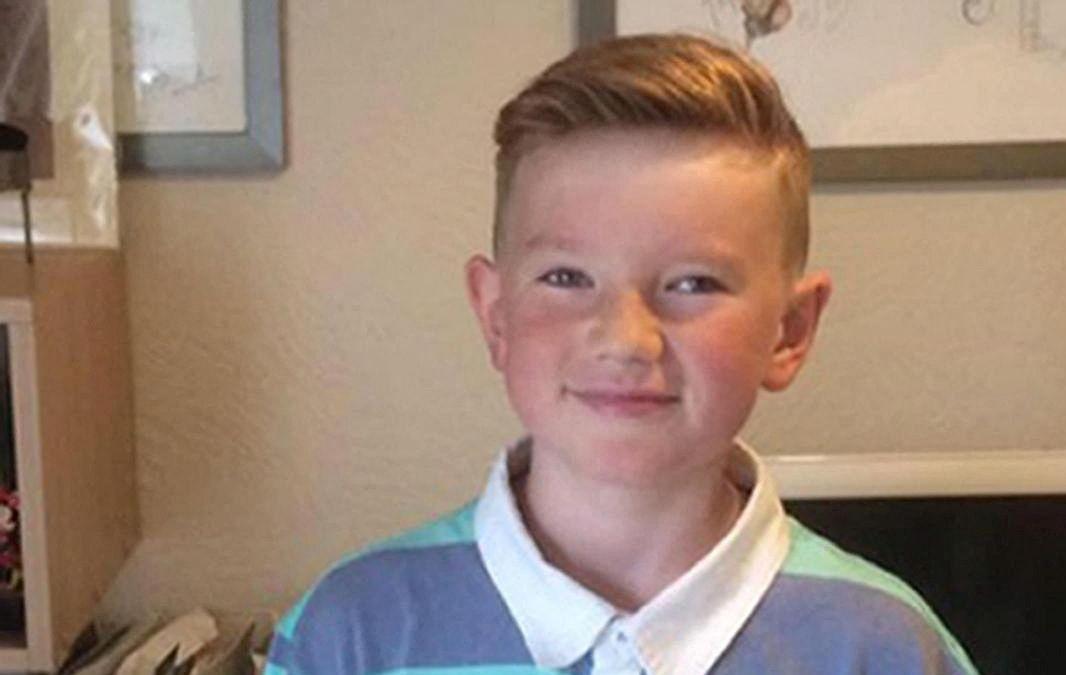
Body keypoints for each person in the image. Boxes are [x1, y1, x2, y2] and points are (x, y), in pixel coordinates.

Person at [265, 34, 978, 675]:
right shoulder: (350, 632)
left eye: (693, 283)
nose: (626, 339)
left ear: (789, 331)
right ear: (495, 313)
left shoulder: (888, 647)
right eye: (567, 278)